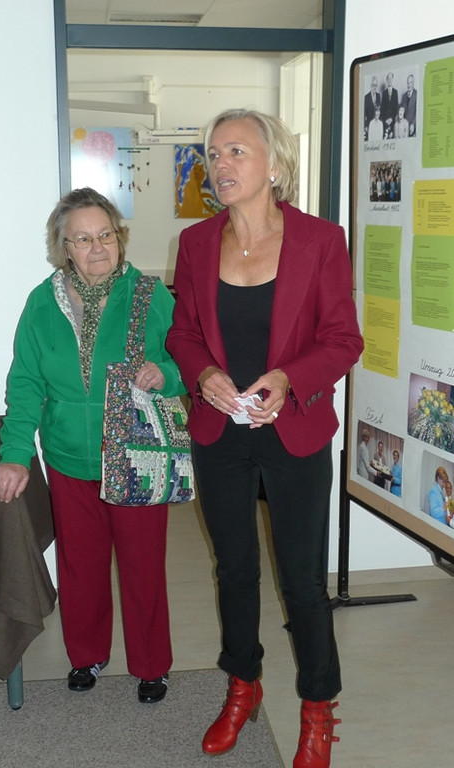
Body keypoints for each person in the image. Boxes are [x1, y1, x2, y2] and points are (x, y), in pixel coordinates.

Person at [166, 108, 364, 766]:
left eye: (236, 152)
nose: (219, 164)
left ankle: (317, 707)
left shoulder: (320, 241)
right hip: (220, 431)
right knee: (234, 570)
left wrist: (287, 377)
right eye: (212, 153)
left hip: (294, 429)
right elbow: (182, 333)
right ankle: (242, 684)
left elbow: (343, 340)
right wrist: (204, 374)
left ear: (274, 165)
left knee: (302, 581)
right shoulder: (196, 243)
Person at [0, 187, 185, 703]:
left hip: (137, 456)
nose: (98, 247)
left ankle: (151, 665)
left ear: (119, 238)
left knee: (143, 567)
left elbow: (191, 358)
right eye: (83, 239)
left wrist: (165, 374)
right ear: (65, 248)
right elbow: (25, 382)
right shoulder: (41, 302)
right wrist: (15, 454)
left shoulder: (149, 295)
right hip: (68, 458)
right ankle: (87, 656)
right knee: (80, 566)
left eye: (106, 235)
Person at [380, 72, 399, 138]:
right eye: (388, 78)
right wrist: (386, 120)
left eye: (391, 78)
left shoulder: (395, 92)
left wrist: (391, 119)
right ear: (387, 80)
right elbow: (382, 108)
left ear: (393, 79)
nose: (390, 80)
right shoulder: (384, 93)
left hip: (393, 120)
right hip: (385, 121)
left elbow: (396, 108)